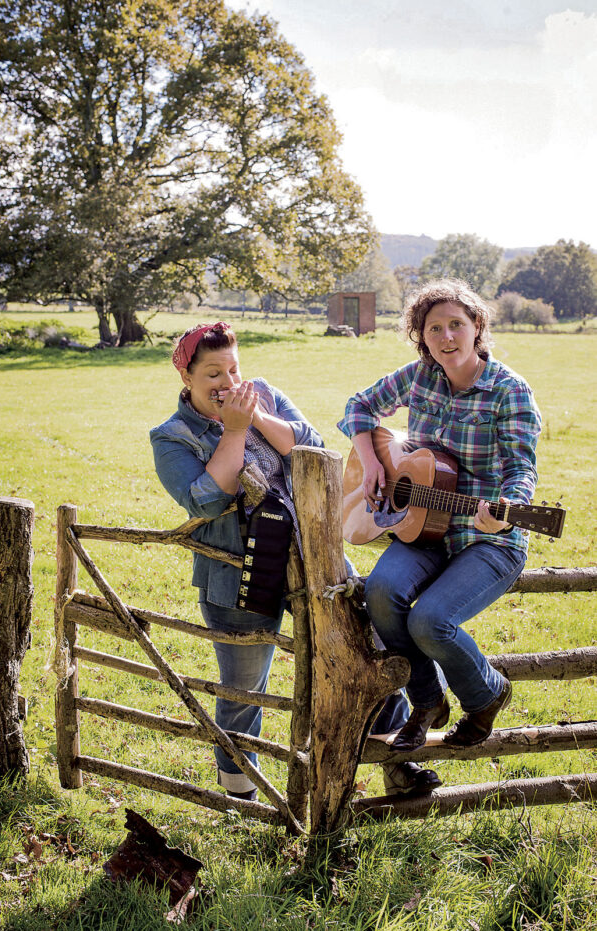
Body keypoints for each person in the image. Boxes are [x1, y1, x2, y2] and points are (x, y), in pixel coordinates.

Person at [150, 322, 416, 801]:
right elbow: (206, 501)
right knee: (244, 689)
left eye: (233, 368)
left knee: (371, 650)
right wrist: (233, 431)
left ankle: (398, 766)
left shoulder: (264, 397)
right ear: (185, 376)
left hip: (314, 558)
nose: (227, 383)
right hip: (238, 576)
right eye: (212, 373)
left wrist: (255, 420)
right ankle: (239, 794)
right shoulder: (172, 436)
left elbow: (314, 447)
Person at [338, 278, 541, 767]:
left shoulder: (508, 390)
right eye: (434, 328)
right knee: (381, 594)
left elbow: (521, 469)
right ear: (421, 336)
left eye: (457, 325)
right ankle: (426, 703)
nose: (447, 336)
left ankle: (487, 693)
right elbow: (359, 407)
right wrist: (372, 463)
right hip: (424, 528)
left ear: (477, 329)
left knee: (430, 620)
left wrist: (506, 507)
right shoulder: (419, 377)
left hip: (487, 538)